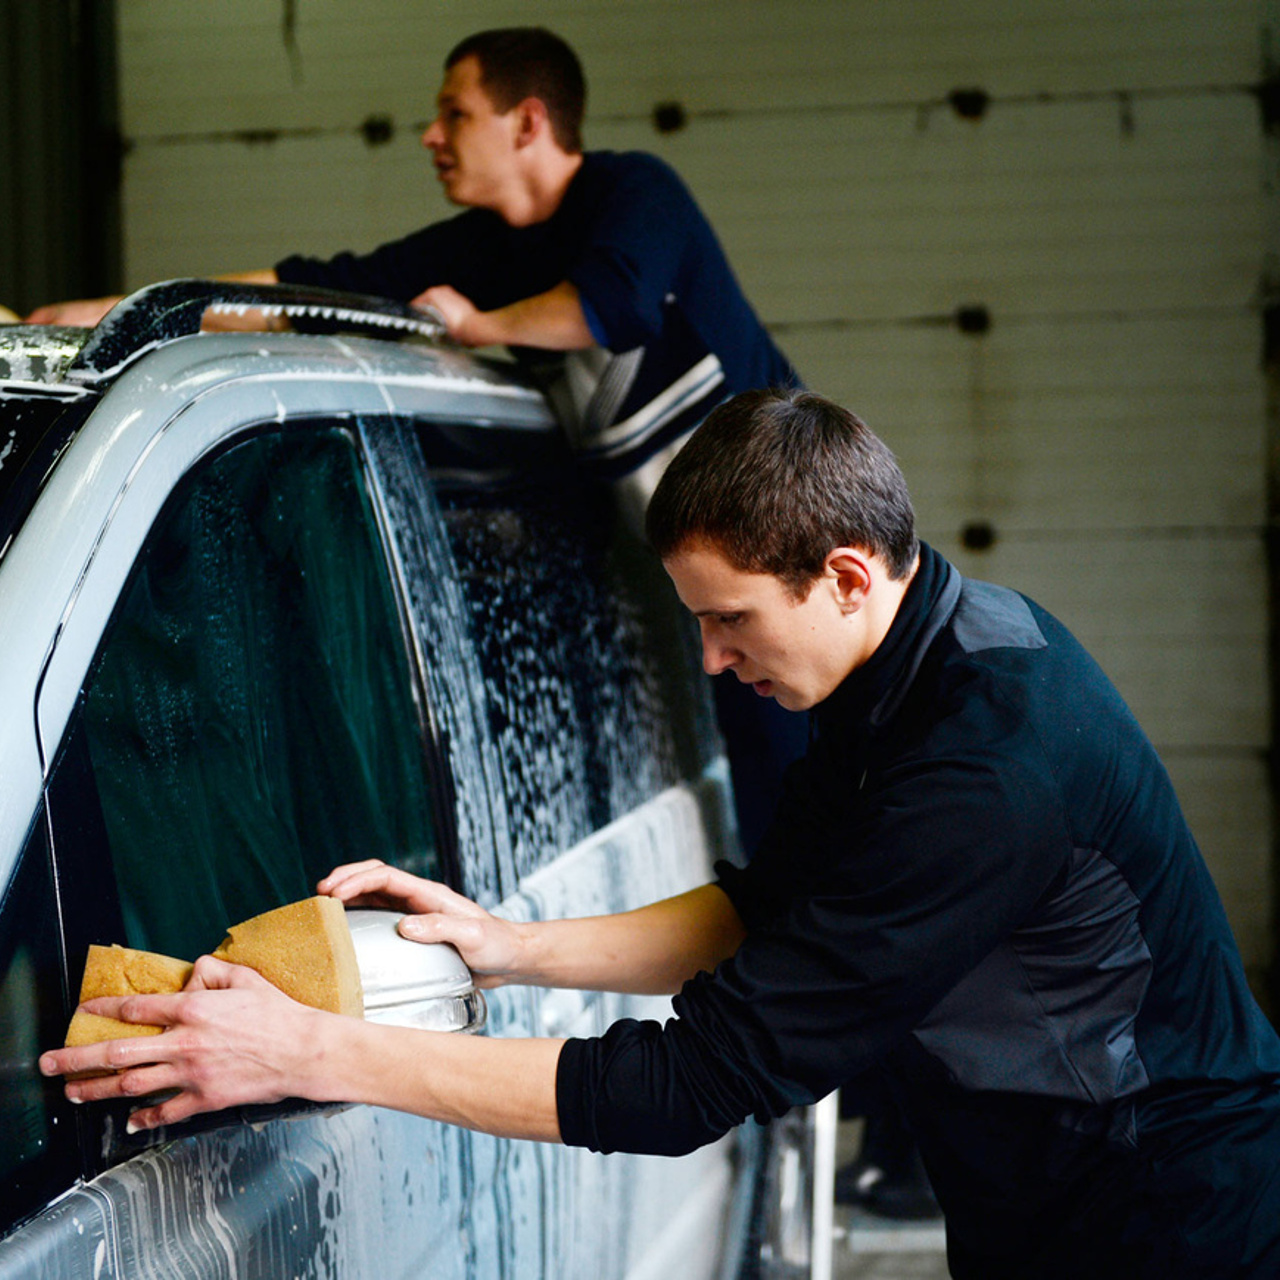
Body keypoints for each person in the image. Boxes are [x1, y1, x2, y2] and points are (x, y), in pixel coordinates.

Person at [43, 388, 1280, 1277]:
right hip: (1039, 1182)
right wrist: (504, 944)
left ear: (846, 575)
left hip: (1155, 1207)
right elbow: (767, 906)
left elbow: (692, 1079)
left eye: (729, 617)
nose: (709, 656)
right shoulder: (907, 664)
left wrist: (311, 1053)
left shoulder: (988, 766)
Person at [27, 24, 807, 855]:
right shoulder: (488, 248)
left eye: (455, 113)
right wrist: (119, 311)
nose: (431, 137)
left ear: (528, 122)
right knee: (771, 805)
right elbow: (322, 287)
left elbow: (616, 304)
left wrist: (481, 325)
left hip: (785, 539)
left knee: (819, 783)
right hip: (711, 591)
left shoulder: (634, 193)